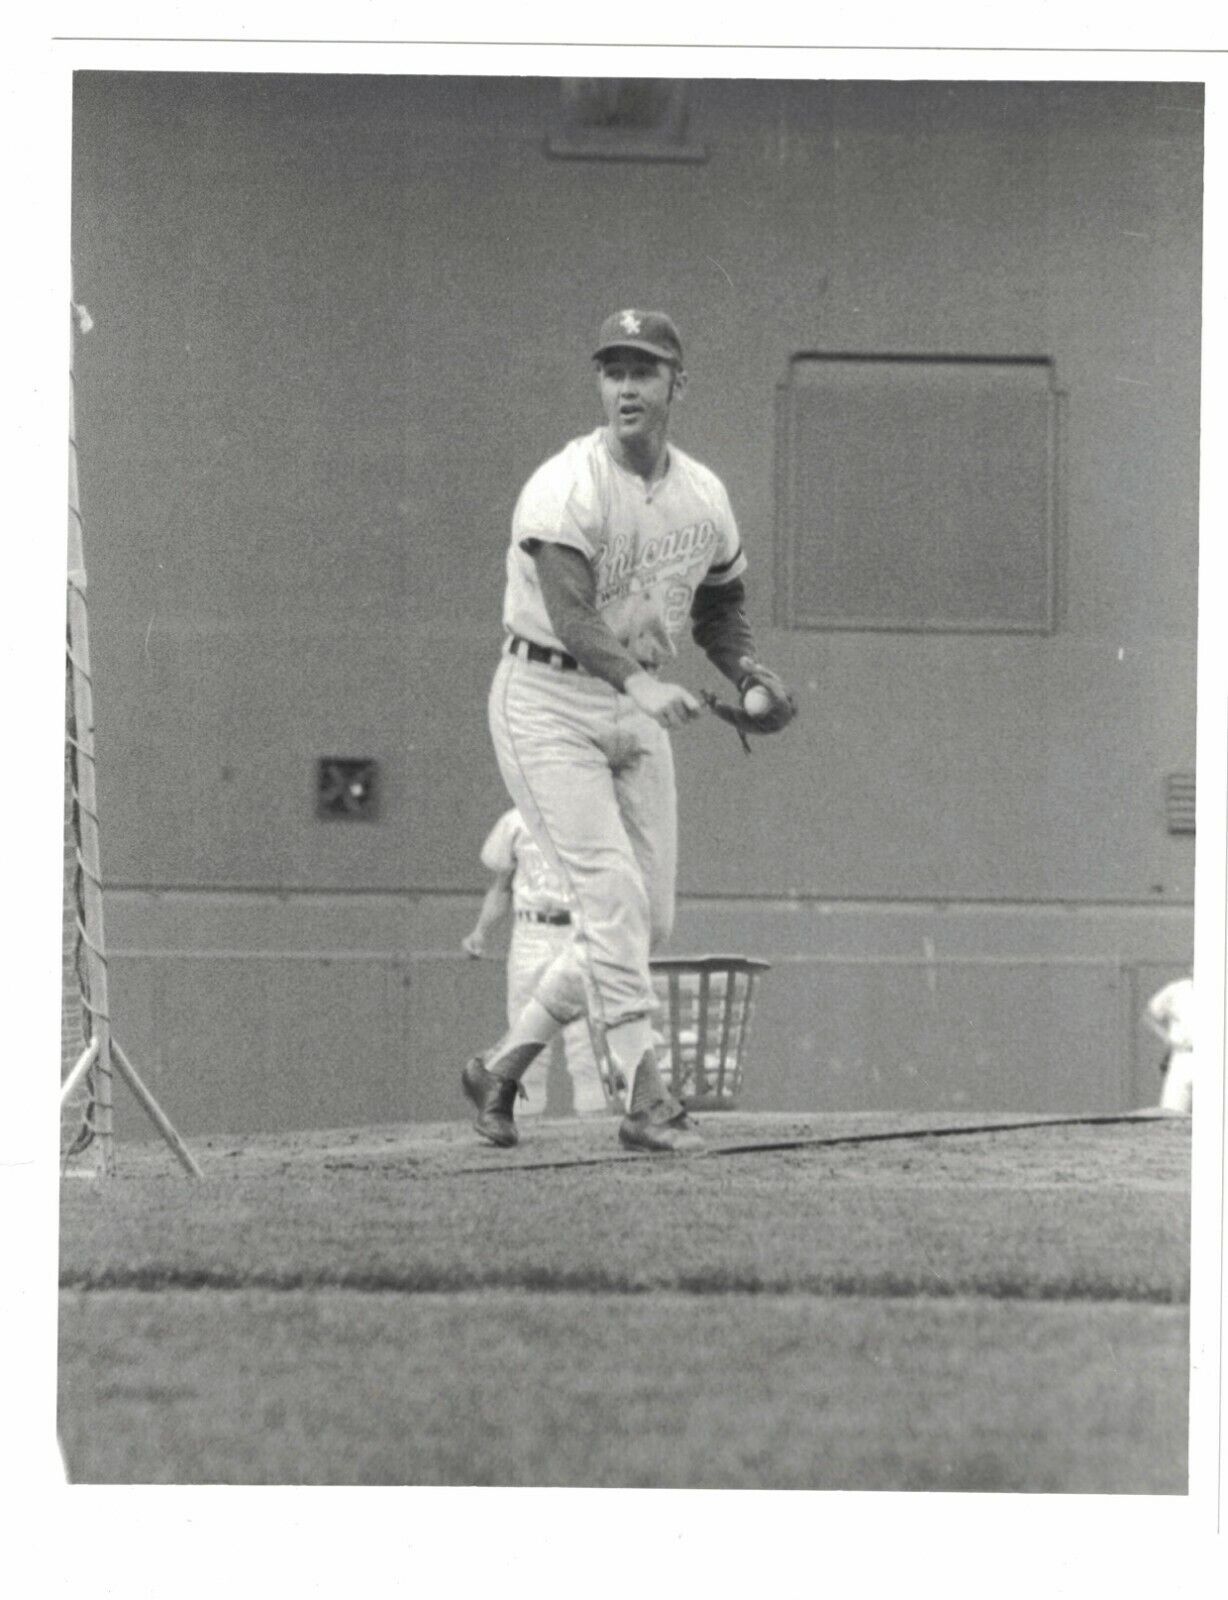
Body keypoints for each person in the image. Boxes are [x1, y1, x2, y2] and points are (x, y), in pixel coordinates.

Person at [461, 307, 797, 1153]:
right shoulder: (564, 485)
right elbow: (572, 615)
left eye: (643, 370)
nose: (626, 386)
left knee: (647, 924)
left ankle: (502, 1065)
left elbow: (721, 606)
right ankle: (648, 1102)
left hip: (630, 703)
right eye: (613, 370)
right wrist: (643, 683)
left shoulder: (703, 494)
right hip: (543, 697)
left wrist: (749, 674)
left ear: (677, 385)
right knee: (611, 900)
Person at [462, 806, 609, 1117]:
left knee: (587, 1037)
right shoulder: (515, 820)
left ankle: (594, 1126)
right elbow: (501, 885)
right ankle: (523, 1122)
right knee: (524, 1028)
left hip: (578, 926)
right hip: (530, 930)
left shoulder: (589, 814)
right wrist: (480, 930)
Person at [1144, 972, 1194, 1114]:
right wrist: (1167, 1039)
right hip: (1183, 1055)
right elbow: (1150, 1014)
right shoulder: (1177, 990)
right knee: (1171, 1113)